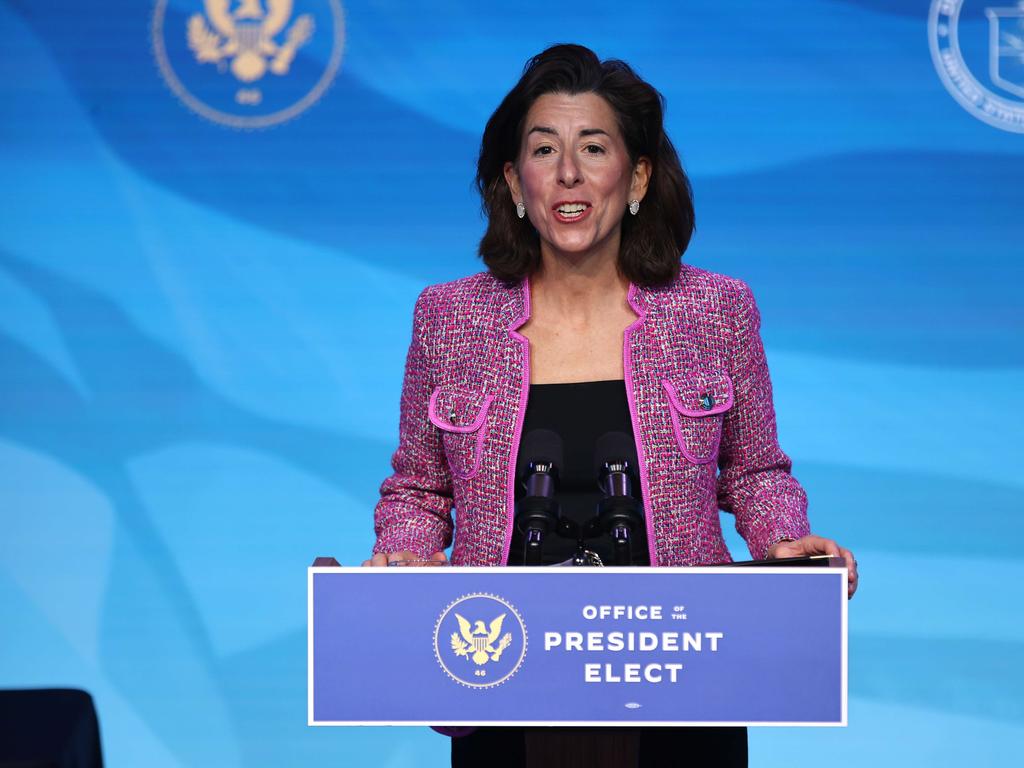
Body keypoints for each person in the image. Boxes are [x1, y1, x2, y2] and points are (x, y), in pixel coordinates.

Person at [363, 43, 858, 767]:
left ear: (637, 177)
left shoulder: (715, 310)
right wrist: (403, 558)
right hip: (500, 682)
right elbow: (419, 485)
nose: (568, 172)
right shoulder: (448, 318)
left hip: (682, 684)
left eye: (594, 148)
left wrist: (785, 544)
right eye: (543, 149)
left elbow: (754, 473)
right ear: (513, 181)